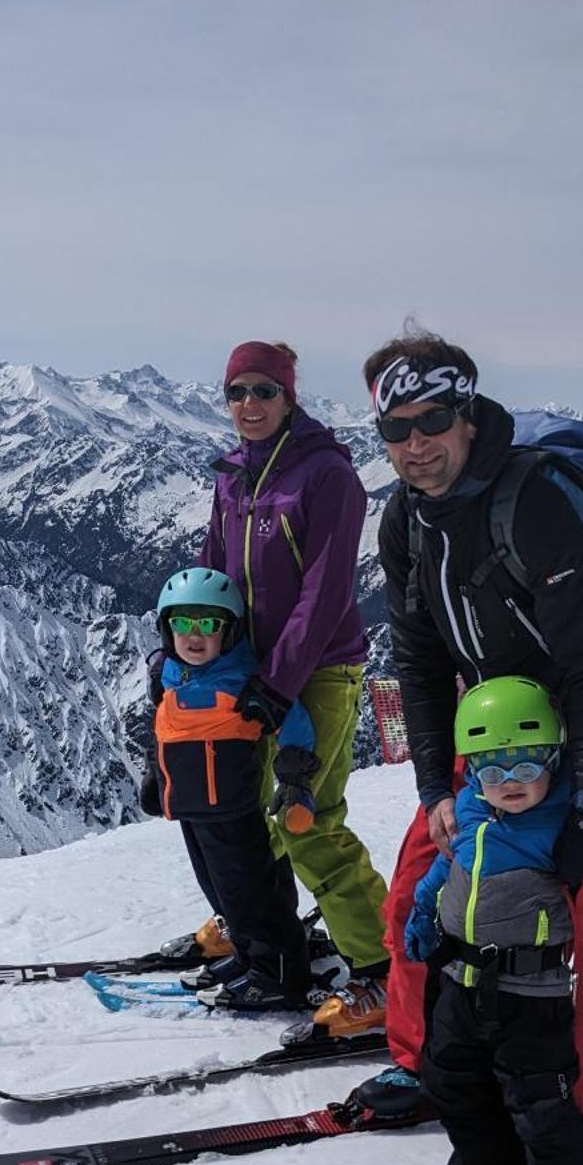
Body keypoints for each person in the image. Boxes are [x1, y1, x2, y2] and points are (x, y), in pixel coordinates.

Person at [357, 325, 583, 1116]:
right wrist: (434, 788)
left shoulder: (539, 500)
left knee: (553, 894)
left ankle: (553, 1104)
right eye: (395, 429)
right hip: (492, 727)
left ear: (466, 413)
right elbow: (421, 664)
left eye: (430, 421)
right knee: (421, 889)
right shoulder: (407, 521)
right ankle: (427, 1061)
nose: (415, 444)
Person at [200, 340, 391, 1039]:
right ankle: (270, 938)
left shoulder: (327, 477)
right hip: (252, 673)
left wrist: (280, 680)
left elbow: (327, 589)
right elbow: (214, 574)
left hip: (318, 672)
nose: (248, 406)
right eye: (236, 393)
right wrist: (199, 661)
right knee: (245, 813)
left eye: (263, 392)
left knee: (309, 819)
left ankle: (384, 971)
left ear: (289, 396)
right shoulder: (232, 478)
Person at [396, 677, 583, 1165]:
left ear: (555, 760)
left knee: (537, 1098)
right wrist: (424, 909)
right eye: (491, 770)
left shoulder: (566, 830)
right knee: (448, 1076)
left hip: (530, 994)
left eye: (526, 765)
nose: (508, 782)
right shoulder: (470, 813)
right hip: (464, 982)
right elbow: (450, 867)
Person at [145, 567, 321, 1011]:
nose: (194, 635)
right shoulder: (170, 677)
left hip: (233, 809)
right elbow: (167, 733)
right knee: (222, 893)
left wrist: (295, 780)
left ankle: (279, 973)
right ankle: (249, 958)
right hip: (191, 810)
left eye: (209, 624)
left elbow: (294, 724)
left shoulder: (245, 683)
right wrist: (156, 777)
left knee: (251, 894)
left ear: (231, 629)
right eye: (182, 624)